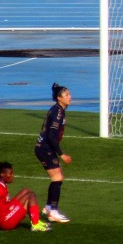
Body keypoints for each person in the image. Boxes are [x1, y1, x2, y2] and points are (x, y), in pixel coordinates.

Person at [34, 82, 73, 224]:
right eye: (66, 95)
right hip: (45, 148)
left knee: (59, 176)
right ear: (58, 98)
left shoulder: (59, 110)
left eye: (69, 94)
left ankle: (49, 207)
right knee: (57, 178)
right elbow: (51, 136)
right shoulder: (57, 112)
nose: (70, 97)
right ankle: (53, 212)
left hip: (45, 147)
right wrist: (62, 154)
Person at [0, 161, 51, 232]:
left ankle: (36, 221)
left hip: (6, 210)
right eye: (10, 174)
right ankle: (35, 225)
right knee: (30, 196)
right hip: (5, 221)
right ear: (2, 174)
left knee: (26, 190)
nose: (13, 176)